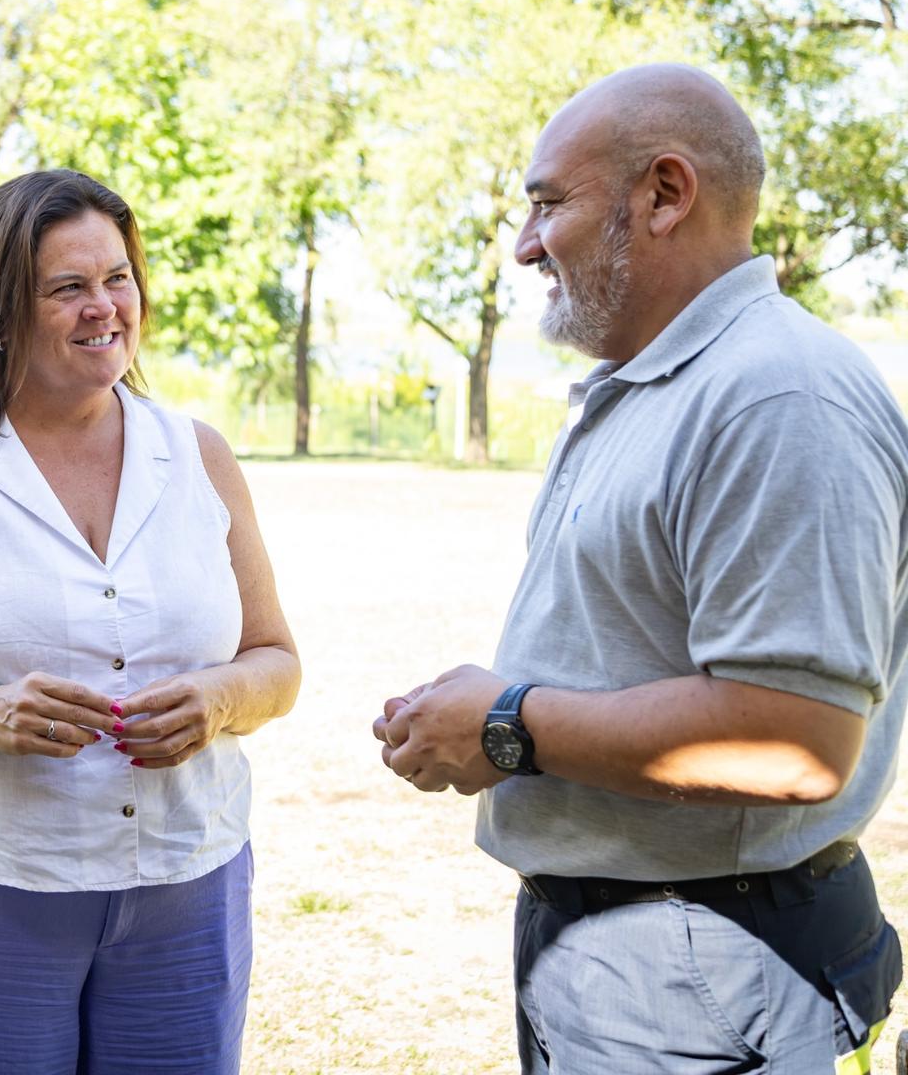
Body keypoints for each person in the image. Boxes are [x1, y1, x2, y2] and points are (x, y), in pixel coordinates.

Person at [373, 63, 907, 1074]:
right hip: (652, 955)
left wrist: (507, 723)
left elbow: (795, 744)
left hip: (710, 963)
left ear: (665, 193)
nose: (527, 245)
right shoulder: (668, 379)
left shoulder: (777, 397)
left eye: (548, 204)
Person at [0, 168, 301, 1074]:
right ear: (3, 308)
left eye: (117, 278)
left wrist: (221, 700)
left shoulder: (199, 456)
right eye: (68, 288)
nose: (104, 307)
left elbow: (276, 659)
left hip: (188, 888)